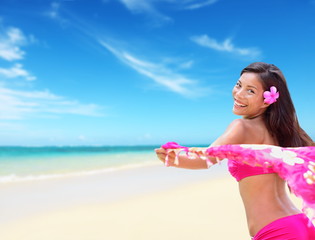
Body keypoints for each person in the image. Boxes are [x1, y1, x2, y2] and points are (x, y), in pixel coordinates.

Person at [155, 62, 315, 240]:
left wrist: (171, 158)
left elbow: (204, 160)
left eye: (250, 91)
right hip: (299, 225)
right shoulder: (283, 131)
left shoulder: (241, 127)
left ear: (267, 100)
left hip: (278, 232)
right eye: (239, 85)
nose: (238, 94)